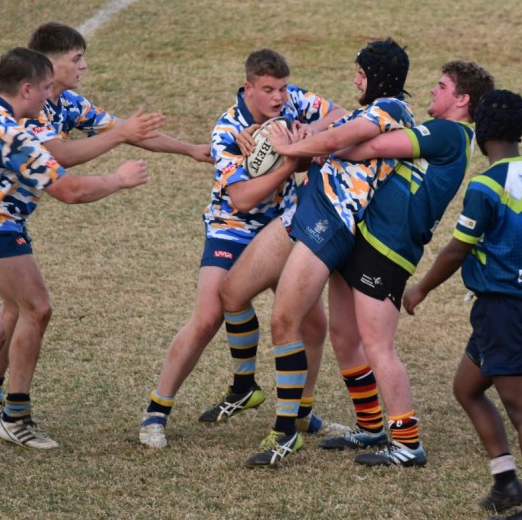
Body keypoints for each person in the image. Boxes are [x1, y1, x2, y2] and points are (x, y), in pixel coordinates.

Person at [0, 22, 210, 450]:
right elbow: (58, 157)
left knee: (16, 309)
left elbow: (127, 130)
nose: (83, 66)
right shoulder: (28, 108)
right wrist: (118, 152)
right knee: (36, 308)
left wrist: (189, 149)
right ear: (48, 64)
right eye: (76, 59)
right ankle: (15, 415)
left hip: (4, 218)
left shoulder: (67, 102)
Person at [269, 61, 495, 469]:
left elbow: (371, 147)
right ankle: (371, 426)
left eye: (442, 86)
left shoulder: (449, 132)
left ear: (462, 99)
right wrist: (324, 143)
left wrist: (313, 146)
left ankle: (408, 444)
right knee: (344, 336)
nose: (433, 91)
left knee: (378, 346)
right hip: (364, 238)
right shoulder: (443, 132)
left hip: (388, 250)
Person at [0, 47, 146, 460]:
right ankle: (9, 416)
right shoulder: (15, 135)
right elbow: (70, 190)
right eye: (47, 88)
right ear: (27, 89)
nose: (50, 97)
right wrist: (119, 179)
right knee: (19, 316)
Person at [137, 48, 347, 449]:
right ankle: (156, 412)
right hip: (232, 228)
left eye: (282, 88)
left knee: (313, 323)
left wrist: (306, 130)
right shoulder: (227, 130)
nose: (278, 97)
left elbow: (340, 113)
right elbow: (243, 199)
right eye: (268, 90)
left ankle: (301, 413)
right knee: (207, 317)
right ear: (248, 88)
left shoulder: (292, 101)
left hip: (282, 225)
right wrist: (289, 162)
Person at [402, 89, 522, 520]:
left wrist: (420, 288)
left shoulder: (486, 186)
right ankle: (506, 482)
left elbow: (457, 249)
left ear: (481, 132)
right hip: (507, 311)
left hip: (508, 309)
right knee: (466, 388)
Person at [239, 37, 415, 468]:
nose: (355, 80)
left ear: (379, 77)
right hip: (313, 208)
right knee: (244, 297)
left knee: (284, 320)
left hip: (331, 221)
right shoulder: (371, 110)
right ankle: (358, 426)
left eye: (361, 73)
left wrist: (285, 146)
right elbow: (330, 137)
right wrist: (290, 138)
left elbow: (337, 137)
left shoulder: (392, 110)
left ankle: (286, 431)